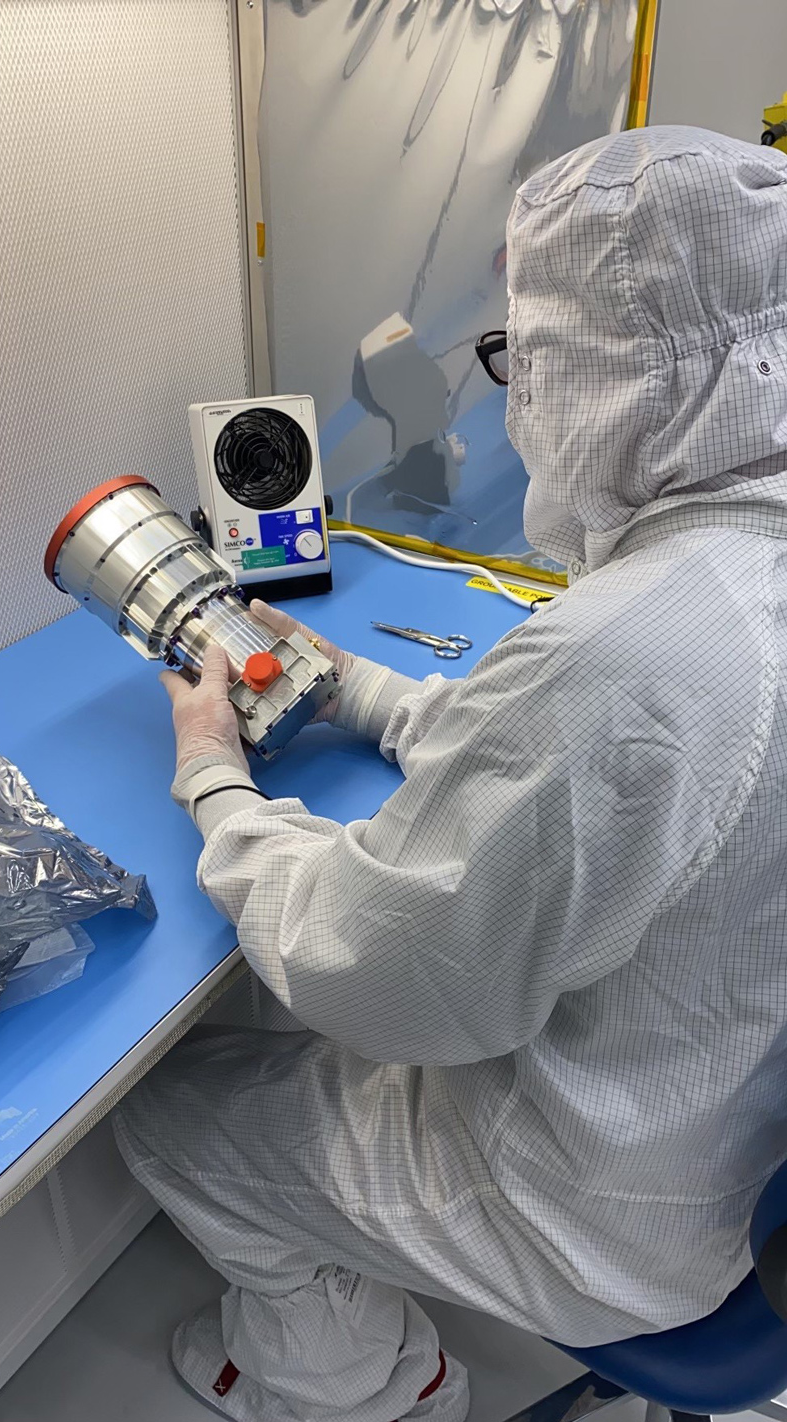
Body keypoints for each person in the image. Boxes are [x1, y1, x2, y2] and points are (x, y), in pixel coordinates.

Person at [113, 125, 787, 1422]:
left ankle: (366, 1384)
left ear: (617, 370)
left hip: (619, 1215)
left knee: (179, 1109)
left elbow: (383, 977)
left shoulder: (627, 650)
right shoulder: (713, 592)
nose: (513, 399)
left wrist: (215, 780)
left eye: (520, 359)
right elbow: (624, 775)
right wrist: (363, 689)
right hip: (739, 1147)